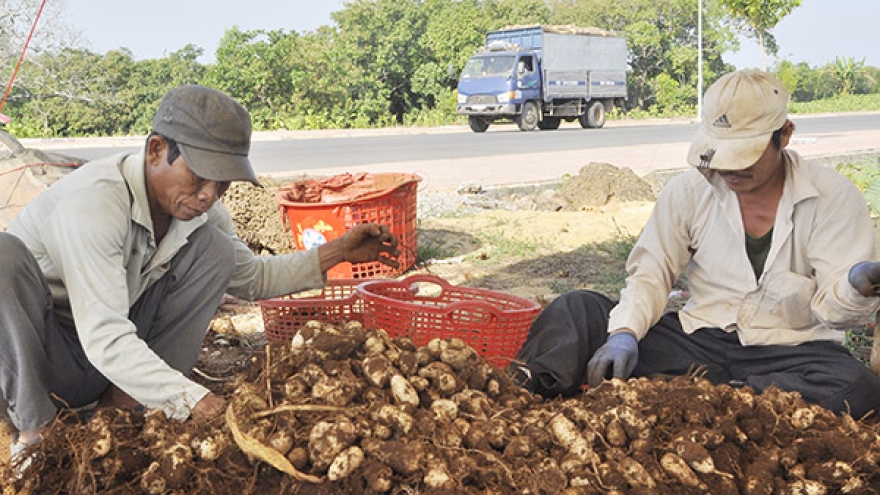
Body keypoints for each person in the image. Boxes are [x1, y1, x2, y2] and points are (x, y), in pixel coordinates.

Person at [0, 85, 401, 458]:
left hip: (102, 369)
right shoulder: (96, 203)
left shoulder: (200, 212)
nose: (209, 194)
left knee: (214, 251)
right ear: (156, 151)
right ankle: (36, 437)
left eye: (222, 182)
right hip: (34, 365)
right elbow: (103, 334)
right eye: (198, 175)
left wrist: (339, 250)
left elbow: (254, 278)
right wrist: (189, 397)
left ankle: (117, 414)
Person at [513, 69, 880, 418]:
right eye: (721, 154)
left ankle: (706, 397)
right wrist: (624, 334)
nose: (729, 170)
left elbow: (836, 314)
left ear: (784, 135)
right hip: (698, 340)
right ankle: (520, 399)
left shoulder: (833, 197)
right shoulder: (688, 191)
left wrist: (854, 285)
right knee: (578, 310)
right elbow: (652, 271)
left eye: (744, 156)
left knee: (857, 387)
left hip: (792, 353)